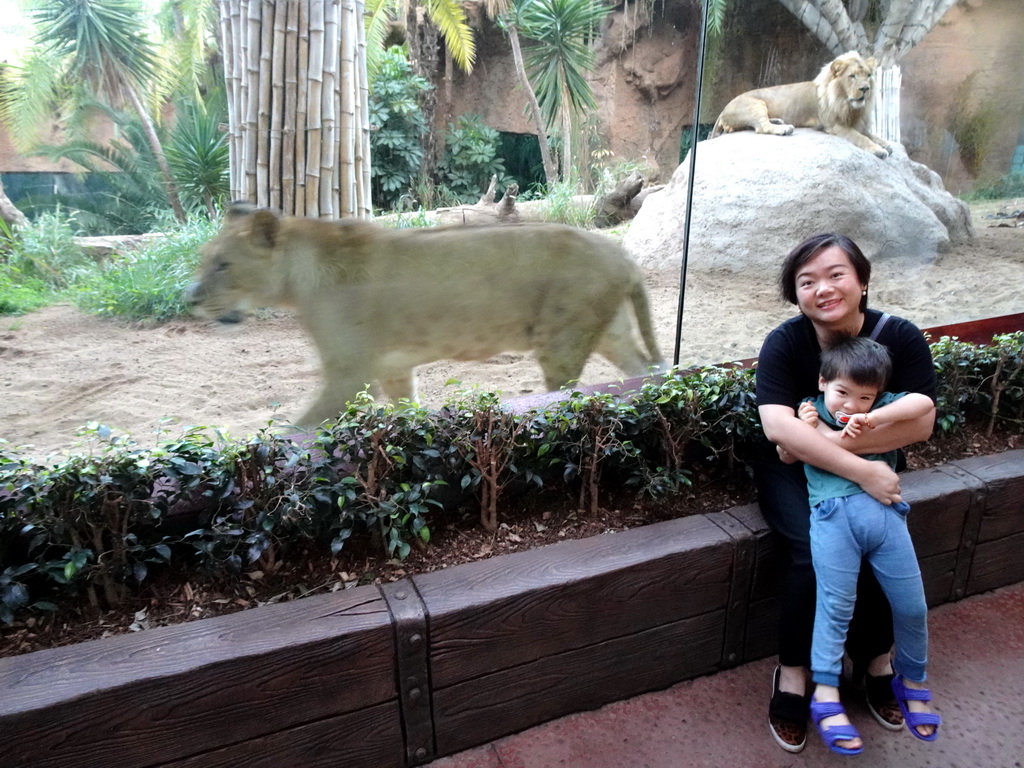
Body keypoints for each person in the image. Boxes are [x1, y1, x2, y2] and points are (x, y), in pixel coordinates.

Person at [752, 233, 937, 753]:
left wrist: (845, 454)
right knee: (812, 554)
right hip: (792, 471)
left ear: (861, 281)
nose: (822, 289)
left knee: (879, 548)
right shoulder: (785, 344)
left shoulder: (898, 337)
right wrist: (860, 472)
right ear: (795, 293)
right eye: (806, 281)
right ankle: (792, 674)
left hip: (867, 462)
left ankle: (877, 662)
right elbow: (781, 434)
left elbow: (921, 426)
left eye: (835, 274)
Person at [779, 335, 941, 754]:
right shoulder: (812, 412)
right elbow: (784, 453)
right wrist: (808, 425)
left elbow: (923, 404)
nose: (850, 405)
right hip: (833, 521)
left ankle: (913, 678)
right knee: (836, 607)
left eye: (864, 396)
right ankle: (826, 693)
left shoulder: (874, 412)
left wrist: (876, 416)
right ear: (822, 382)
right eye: (842, 393)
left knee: (912, 604)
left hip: (886, 516)